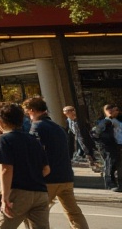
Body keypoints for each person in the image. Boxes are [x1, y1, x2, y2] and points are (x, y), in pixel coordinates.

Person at [24, 96, 88, 229]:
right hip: (66, 176)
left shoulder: (36, 127)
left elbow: (36, 153)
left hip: (49, 178)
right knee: (73, 212)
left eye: (26, 111)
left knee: (34, 212)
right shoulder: (57, 127)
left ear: (31, 110)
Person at [0, 102, 50, 229]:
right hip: (40, 193)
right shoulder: (33, 140)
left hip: (18, 193)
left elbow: (6, 169)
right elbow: (46, 169)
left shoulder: (4, 139)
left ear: (1, 121)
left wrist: (5, 197)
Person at [94, 104, 122, 191]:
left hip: (118, 145)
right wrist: (104, 144)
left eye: (116, 110)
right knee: (110, 164)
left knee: (118, 165)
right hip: (110, 146)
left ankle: (119, 185)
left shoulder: (118, 120)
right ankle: (111, 183)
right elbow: (96, 134)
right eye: (113, 110)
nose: (115, 112)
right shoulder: (104, 122)